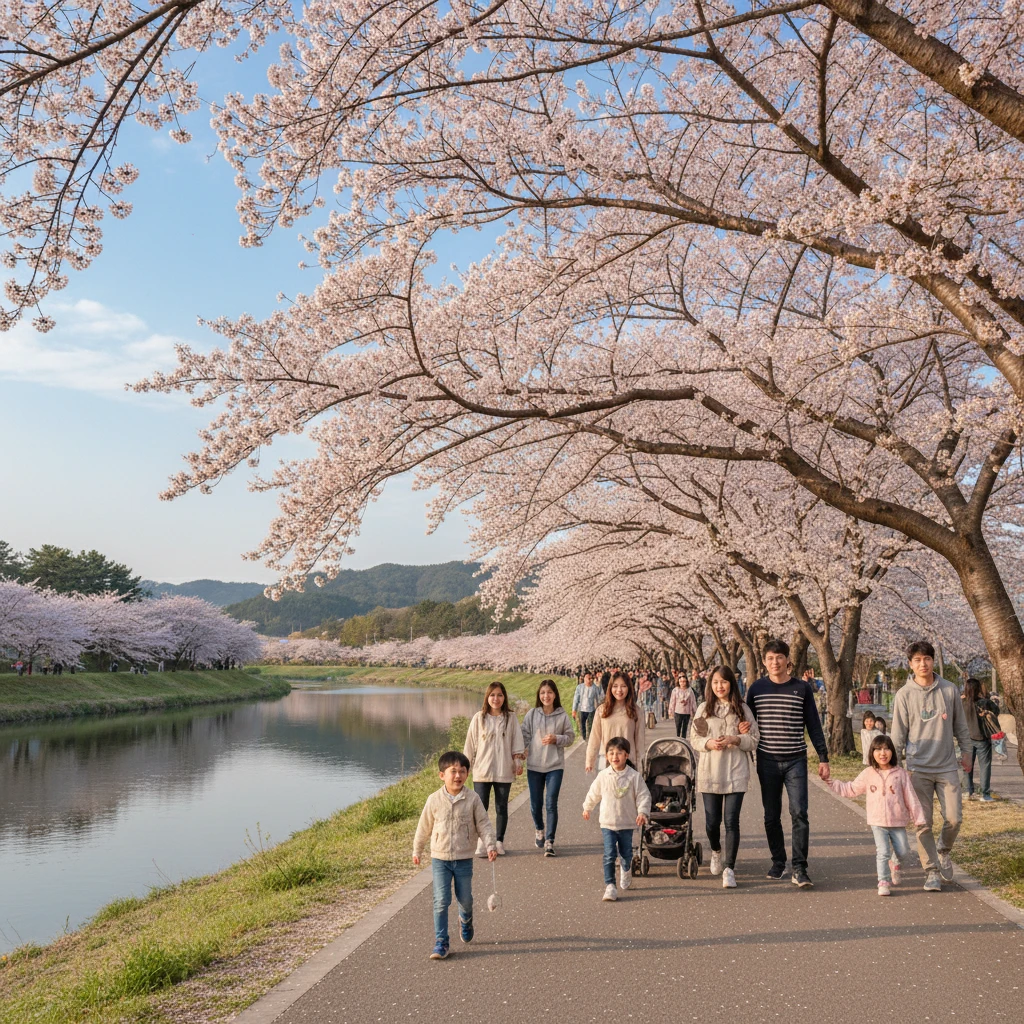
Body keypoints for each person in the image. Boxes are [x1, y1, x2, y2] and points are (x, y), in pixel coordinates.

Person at [746, 638, 830, 888]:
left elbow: (813, 724)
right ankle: (778, 861)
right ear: (764, 661)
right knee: (771, 815)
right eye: (770, 658)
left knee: (799, 813)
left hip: (796, 760)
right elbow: (747, 721)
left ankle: (800, 867)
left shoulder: (801, 688)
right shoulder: (756, 689)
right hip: (767, 760)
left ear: (787, 660)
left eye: (779, 657)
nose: (775, 662)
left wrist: (823, 757)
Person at [891, 640, 972, 891]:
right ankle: (932, 870)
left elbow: (961, 726)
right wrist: (893, 768)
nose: (922, 664)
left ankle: (943, 850)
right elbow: (898, 735)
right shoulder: (904, 695)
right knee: (923, 822)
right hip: (917, 768)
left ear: (933, 661)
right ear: (910, 664)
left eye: (926, 659)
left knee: (954, 818)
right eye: (917, 660)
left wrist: (967, 751)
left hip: (947, 765)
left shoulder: (949, 690)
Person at [412, 751, 497, 961]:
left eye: (462, 771)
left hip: (463, 858)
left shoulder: (473, 798)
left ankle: (465, 919)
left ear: (467, 773)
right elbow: (423, 827)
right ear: (442, 775)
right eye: (453, 771)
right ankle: (441, 942)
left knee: (465, 899)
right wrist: (417, 850)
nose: (457, 776)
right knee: (441, 900)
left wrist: (490, 845)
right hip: (440, 858)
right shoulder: (434, 800)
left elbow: (484, 824)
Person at [826, 735, 927, 896]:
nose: (882, 753)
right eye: (878, 749)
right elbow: (851, 788)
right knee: (883, 851)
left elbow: (910, 797)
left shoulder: (900, 774)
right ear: (872, 752)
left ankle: (894, 863)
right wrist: (831, 782)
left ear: (892, 752)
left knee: (903, 851)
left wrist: (918, 817)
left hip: (897, 821)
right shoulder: (868, 773)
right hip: (877, 821)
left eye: (886, 749)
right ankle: (883, 881)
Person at [690, 666, 759, 888]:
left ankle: (729, 868)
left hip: (735, 771)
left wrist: (736, 739)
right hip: (710, 772)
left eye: (724, 682)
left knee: (731, 821)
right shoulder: (703, 709)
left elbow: (754, 740)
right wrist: (708, 743)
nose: (720, 686)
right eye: (716, 682)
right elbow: (695, 738)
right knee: (712, 823)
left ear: (732, 684)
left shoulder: (742, 710)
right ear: (711, 685)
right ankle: (716, 851)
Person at [582, 736, 651, 902]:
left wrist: (642, 812)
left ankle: (626, 870)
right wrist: (587, 807)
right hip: (608, 822)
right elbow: (594, 792)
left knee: (626, 853)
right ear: (606, 756)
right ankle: (610, 886)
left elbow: (644, 795)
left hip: (627, 822)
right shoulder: (603, 775)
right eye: (611, 753)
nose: (615, 756)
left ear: (626, 755)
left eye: (619, 753)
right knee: (609, 854)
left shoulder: (634, 777)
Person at [463, 681, 525, 856]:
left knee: (501, 807)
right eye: (492, 695)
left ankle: (499, 841)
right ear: (487, 697)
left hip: (504, 769)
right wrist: (465, 768)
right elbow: (470, 744)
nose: (495, 699)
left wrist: (518, 762)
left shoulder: (510, 718)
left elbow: (517, 742)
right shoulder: (478, 718)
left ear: (504, 697)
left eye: (499, 695)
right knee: (481, 807)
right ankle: (483, 841)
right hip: (482, 770)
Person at [522, 679, 575, 856]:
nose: (546, 696)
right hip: (534, 766)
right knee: (535, 804)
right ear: (539, 694)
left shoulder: (562, 715)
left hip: (555, 766)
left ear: (555, 695)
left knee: (551, 803)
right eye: (543, 692)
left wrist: (556, 739)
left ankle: (550, 841)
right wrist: (520, 753)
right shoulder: (532, 714)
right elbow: (524, 735)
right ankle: (539, 829)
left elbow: (570, 737)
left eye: (549, 692)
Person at [585, 671, 645, 773]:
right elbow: (595, 737)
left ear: (629, 688)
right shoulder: (602, 710)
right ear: (610, 688)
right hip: (606, 761)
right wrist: (590, 760)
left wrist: (640, 765)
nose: (619, 690)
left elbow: (640, 741)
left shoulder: (636, 711)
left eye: (623, 686)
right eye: (615, 686)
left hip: (628, 762)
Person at [962, 677, 995, 802]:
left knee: (967, 766)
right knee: (985, 766)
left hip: (965, 740)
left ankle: (968, 791)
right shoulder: (985, 703)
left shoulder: (961, 703)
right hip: (982, 739)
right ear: (978, 689)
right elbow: (996, 711)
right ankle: (985, 794)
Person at [571, 672, 604, 741]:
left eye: (591, 678)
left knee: (590, 725)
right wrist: (574, 710)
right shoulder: (579, 687)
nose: (590, 680)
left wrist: (599, 708)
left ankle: (590, 739)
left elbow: (598, 698)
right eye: (589, 678)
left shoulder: (594, 687)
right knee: (582, 724)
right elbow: (576, 699)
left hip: (591, 709)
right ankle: (584, 737)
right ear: (585, 679)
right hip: (582, 709)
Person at [668, 675, 697, 739]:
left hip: (687, 712)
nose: (682, 683)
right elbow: (672, 701)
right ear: (678, 682)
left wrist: (695, 711)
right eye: (681, 681)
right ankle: (678, 740)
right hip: (678, 712)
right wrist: (670, 710)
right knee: (678, 728)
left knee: (685, 728)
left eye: (684, 681)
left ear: (686, 682)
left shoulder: (690, 690)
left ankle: (684, 741)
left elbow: (693, 701)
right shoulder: (675, 690)